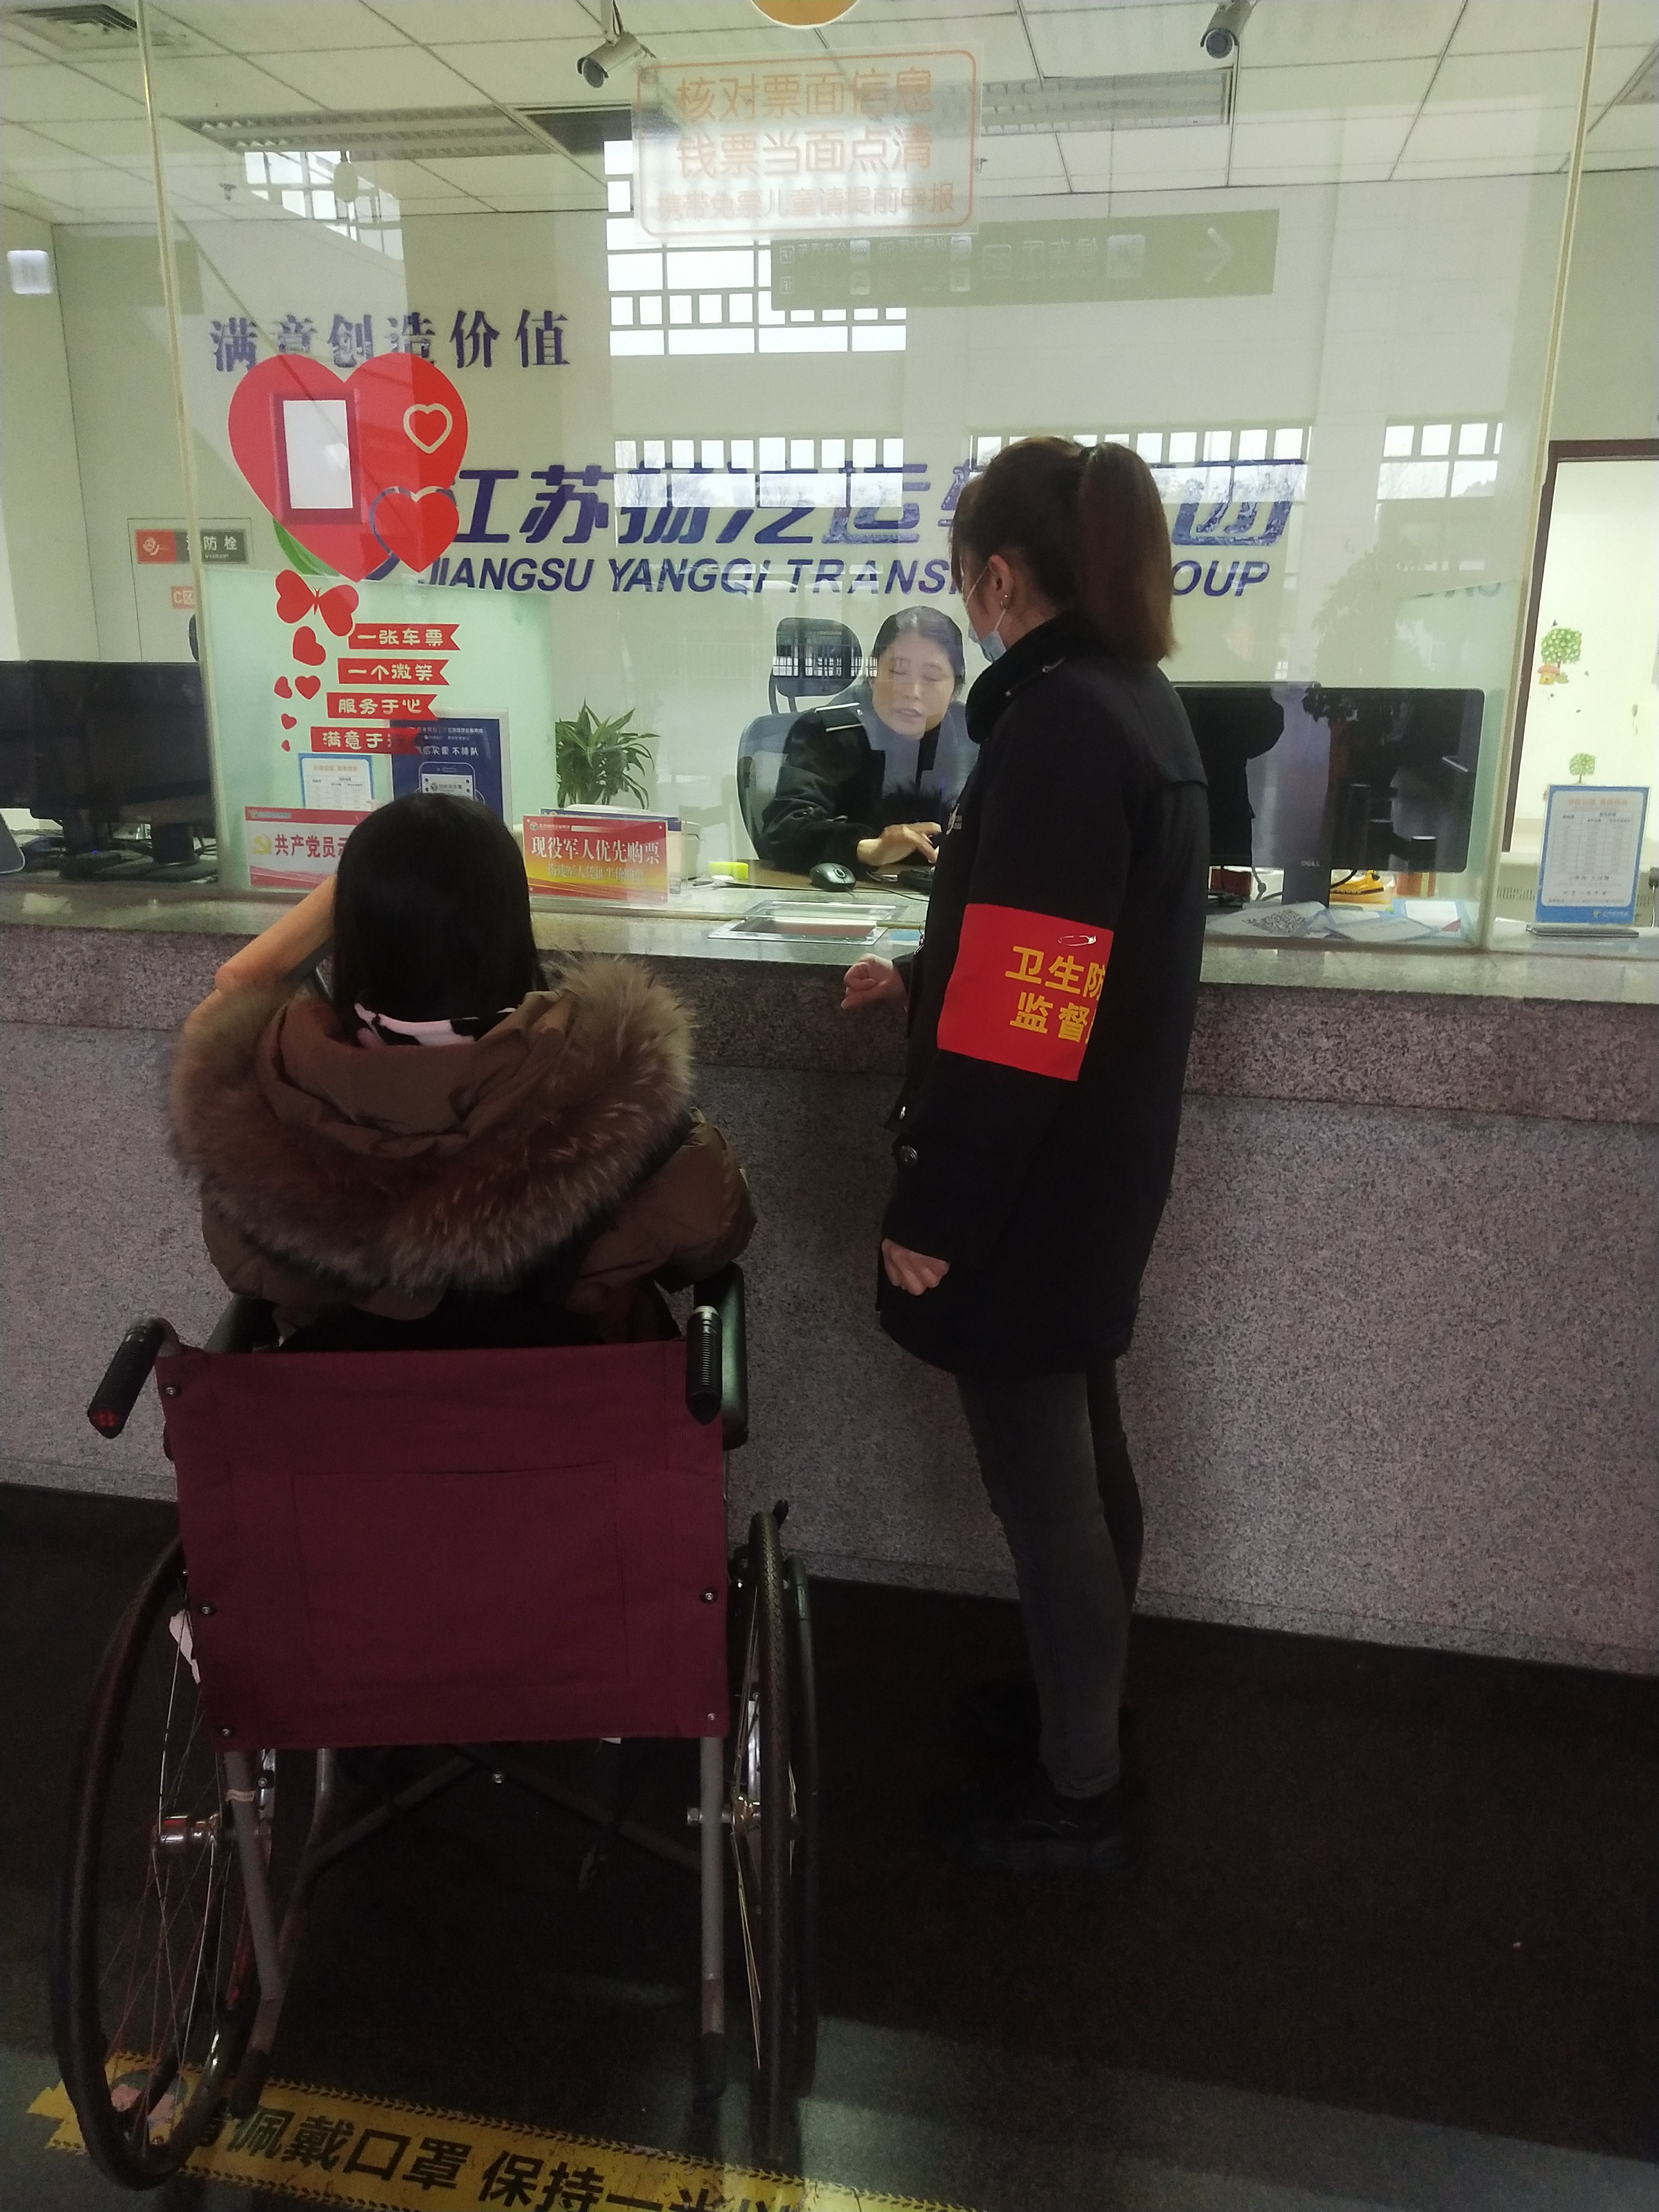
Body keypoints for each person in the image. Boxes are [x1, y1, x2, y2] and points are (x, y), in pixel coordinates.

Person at [843, 438, 1209, 1875]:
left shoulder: (1059, 726)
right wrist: (921, 982)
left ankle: (1079, 1793)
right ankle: (1084, 1709)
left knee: (1046, 1493)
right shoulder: (1133, 703)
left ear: (998, 578)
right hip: (1091, 1166)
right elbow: (1058, 962)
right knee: (1085, 1455)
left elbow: (1026, 1016)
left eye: (965, 581)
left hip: (1030, 1184)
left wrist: (936, 1206)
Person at [172, 793, 755, 1349]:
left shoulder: (252, 1110)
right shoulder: (619, 1087)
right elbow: (716, 1235)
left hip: (343, 1415)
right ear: (512, 923)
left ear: (349, 935)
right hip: (579, 1412)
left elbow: (240, 1268)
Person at [759, 606, 970, 875]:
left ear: (955, 688)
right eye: (897, 671)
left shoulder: (974, 737)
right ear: (873, 672)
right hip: (850, 891)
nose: (912, 692)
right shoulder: (831, 731)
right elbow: (784, 829)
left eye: (931, 677)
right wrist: (868, 848)